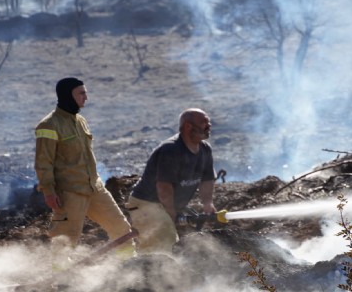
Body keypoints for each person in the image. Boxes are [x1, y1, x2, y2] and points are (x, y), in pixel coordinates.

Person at [34, 77, 135, 268]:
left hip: (94, 187)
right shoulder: (48, 125)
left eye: (85, 92)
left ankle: (130, 268)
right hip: (69, 192)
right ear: (67, 96)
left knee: (121, 228)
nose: (86, 97)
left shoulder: (80, 121)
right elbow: (43, 162)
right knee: (64, 241)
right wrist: (48, 191)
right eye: (81, 93)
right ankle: (61, 282)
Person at [126, 108, 217, 253]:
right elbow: (164, 187)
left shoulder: (205, 149)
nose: (209, 125)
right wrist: (172, 213)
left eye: (208, 122)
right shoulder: (171, 150)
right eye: (203, 122)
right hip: (147, 204)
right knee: (163, 244)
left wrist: (207, 203)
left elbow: (207, 180)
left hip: (168, 205)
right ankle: (145, 273)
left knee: (172, 244)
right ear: (188, 126)